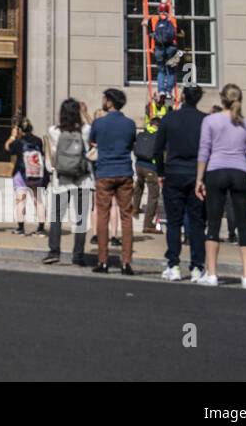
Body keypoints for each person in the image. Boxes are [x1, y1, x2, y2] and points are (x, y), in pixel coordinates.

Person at [194, 84, 246, 289]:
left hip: (216, 170)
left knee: (213, 223)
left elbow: (204, 150)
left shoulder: (210, 120)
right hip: (240, 172)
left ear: (222, 99)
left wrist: (199, 179)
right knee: (243, 224)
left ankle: (212, 273)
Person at [154, 84, 207, 281]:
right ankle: (196, 266)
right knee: (197, 222)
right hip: (196, 173)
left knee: (174, 221)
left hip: (174, 172)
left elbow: (157, 150)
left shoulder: (169, 118)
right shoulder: (204, 120)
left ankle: (174, 264)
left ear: (183, 96)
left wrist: (160, 171)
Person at [89, 88, 137, 274]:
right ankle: (126, 262)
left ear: (109, 102)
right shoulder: (130, 124)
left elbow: (92, 141)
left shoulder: (99, 123)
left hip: (105, 172)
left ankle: (103, 261)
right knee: (126, 217)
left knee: (103, 215)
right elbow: (131, 144)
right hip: (124, 171)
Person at [43, 98, 94, 265]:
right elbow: (95, 133)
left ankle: (54, 252)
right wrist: (85, 113)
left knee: (56, 217)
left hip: (62, 180)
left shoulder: (53, 131)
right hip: (83, 180)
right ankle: (78, 255)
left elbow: (52, 153)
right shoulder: (86, 131)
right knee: (80, 219)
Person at [6, 116, 47, 236]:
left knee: (21, 201)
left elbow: (7, 148)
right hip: (37, 174)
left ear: (19, 130)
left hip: (21, 173)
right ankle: (41, 229)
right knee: (38, 201)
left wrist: (12, 136)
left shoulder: (18, 142)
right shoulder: (38, 140)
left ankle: (20, 228)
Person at [131, 95, 167, 234]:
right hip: (151, 168)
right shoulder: (160, 136)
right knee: (153, 195)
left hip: (138, 165)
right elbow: (161, 154)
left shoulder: (144, 131)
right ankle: (148, 224)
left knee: (139, 184)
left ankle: (135, 206)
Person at [149, 4, 183, 98]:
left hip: (158, 48)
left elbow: (148, 30)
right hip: (171, 48)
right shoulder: (173, 19)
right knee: (171, 71)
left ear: (158, 10)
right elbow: (181, 33)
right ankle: (168, 92)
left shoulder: (154, 19)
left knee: (161, 70)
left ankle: (161, 91)